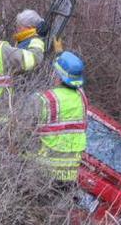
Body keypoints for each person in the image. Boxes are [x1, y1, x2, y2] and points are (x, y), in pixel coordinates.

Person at [25, 51, 88, 183]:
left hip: (42, 172)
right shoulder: (82, 98)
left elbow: (22, 130)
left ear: (57, 76)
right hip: (69, 176)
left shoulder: (44, 99)